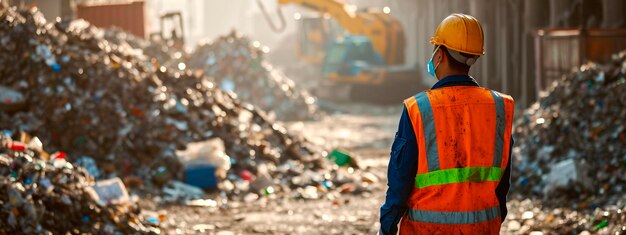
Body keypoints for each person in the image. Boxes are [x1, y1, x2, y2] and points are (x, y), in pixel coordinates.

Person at [379, 13, 514, 235]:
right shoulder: (500, 106)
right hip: (483, 228)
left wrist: (387, 226)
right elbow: (503, 182)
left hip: (427, 230)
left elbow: (400, 181)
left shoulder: (418, 109)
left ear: (440, 54)